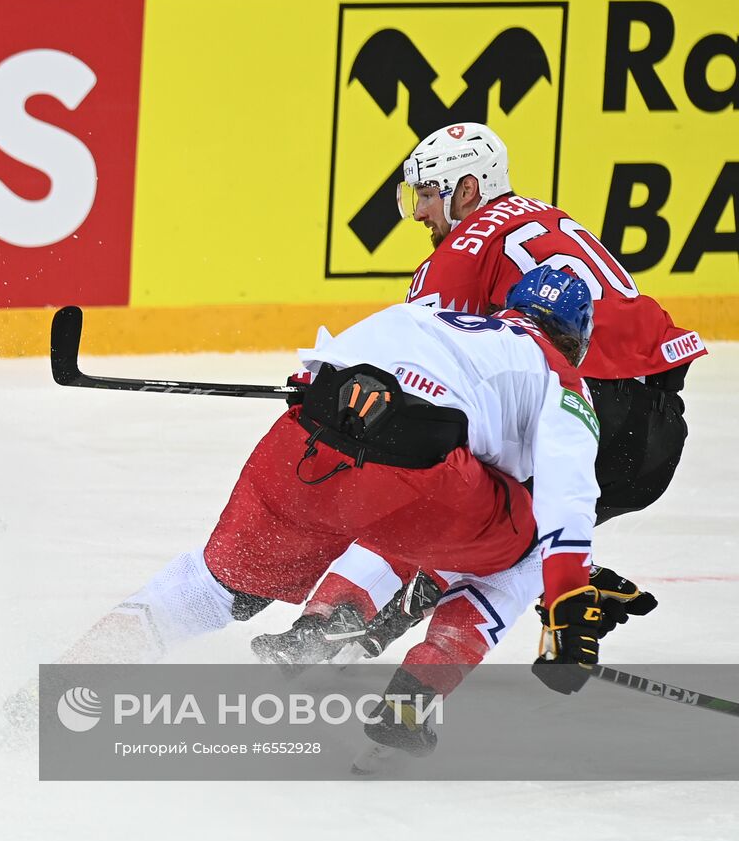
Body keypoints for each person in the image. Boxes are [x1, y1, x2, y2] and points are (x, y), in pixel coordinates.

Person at [61, 268, 635, 741]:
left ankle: (68, 682)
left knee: (212, 586)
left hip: (306, 447)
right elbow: (570, 499)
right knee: (530, 542)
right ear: (575, 341)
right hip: (424, 487)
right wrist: (566, 598)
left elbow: (314, 373)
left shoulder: (421, 314)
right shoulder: (563, 380)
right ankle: (413, 699)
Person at [270, 122, 699, 665]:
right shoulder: (540, 215)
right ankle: (562, 580)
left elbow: (413, 363)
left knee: (435, 490)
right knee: (503, 527)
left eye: (427, 195)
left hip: (587, 401)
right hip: (656, 432)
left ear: (467, 190)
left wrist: (327, 389)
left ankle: (333, 626)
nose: (420, 212)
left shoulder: (460, 252)